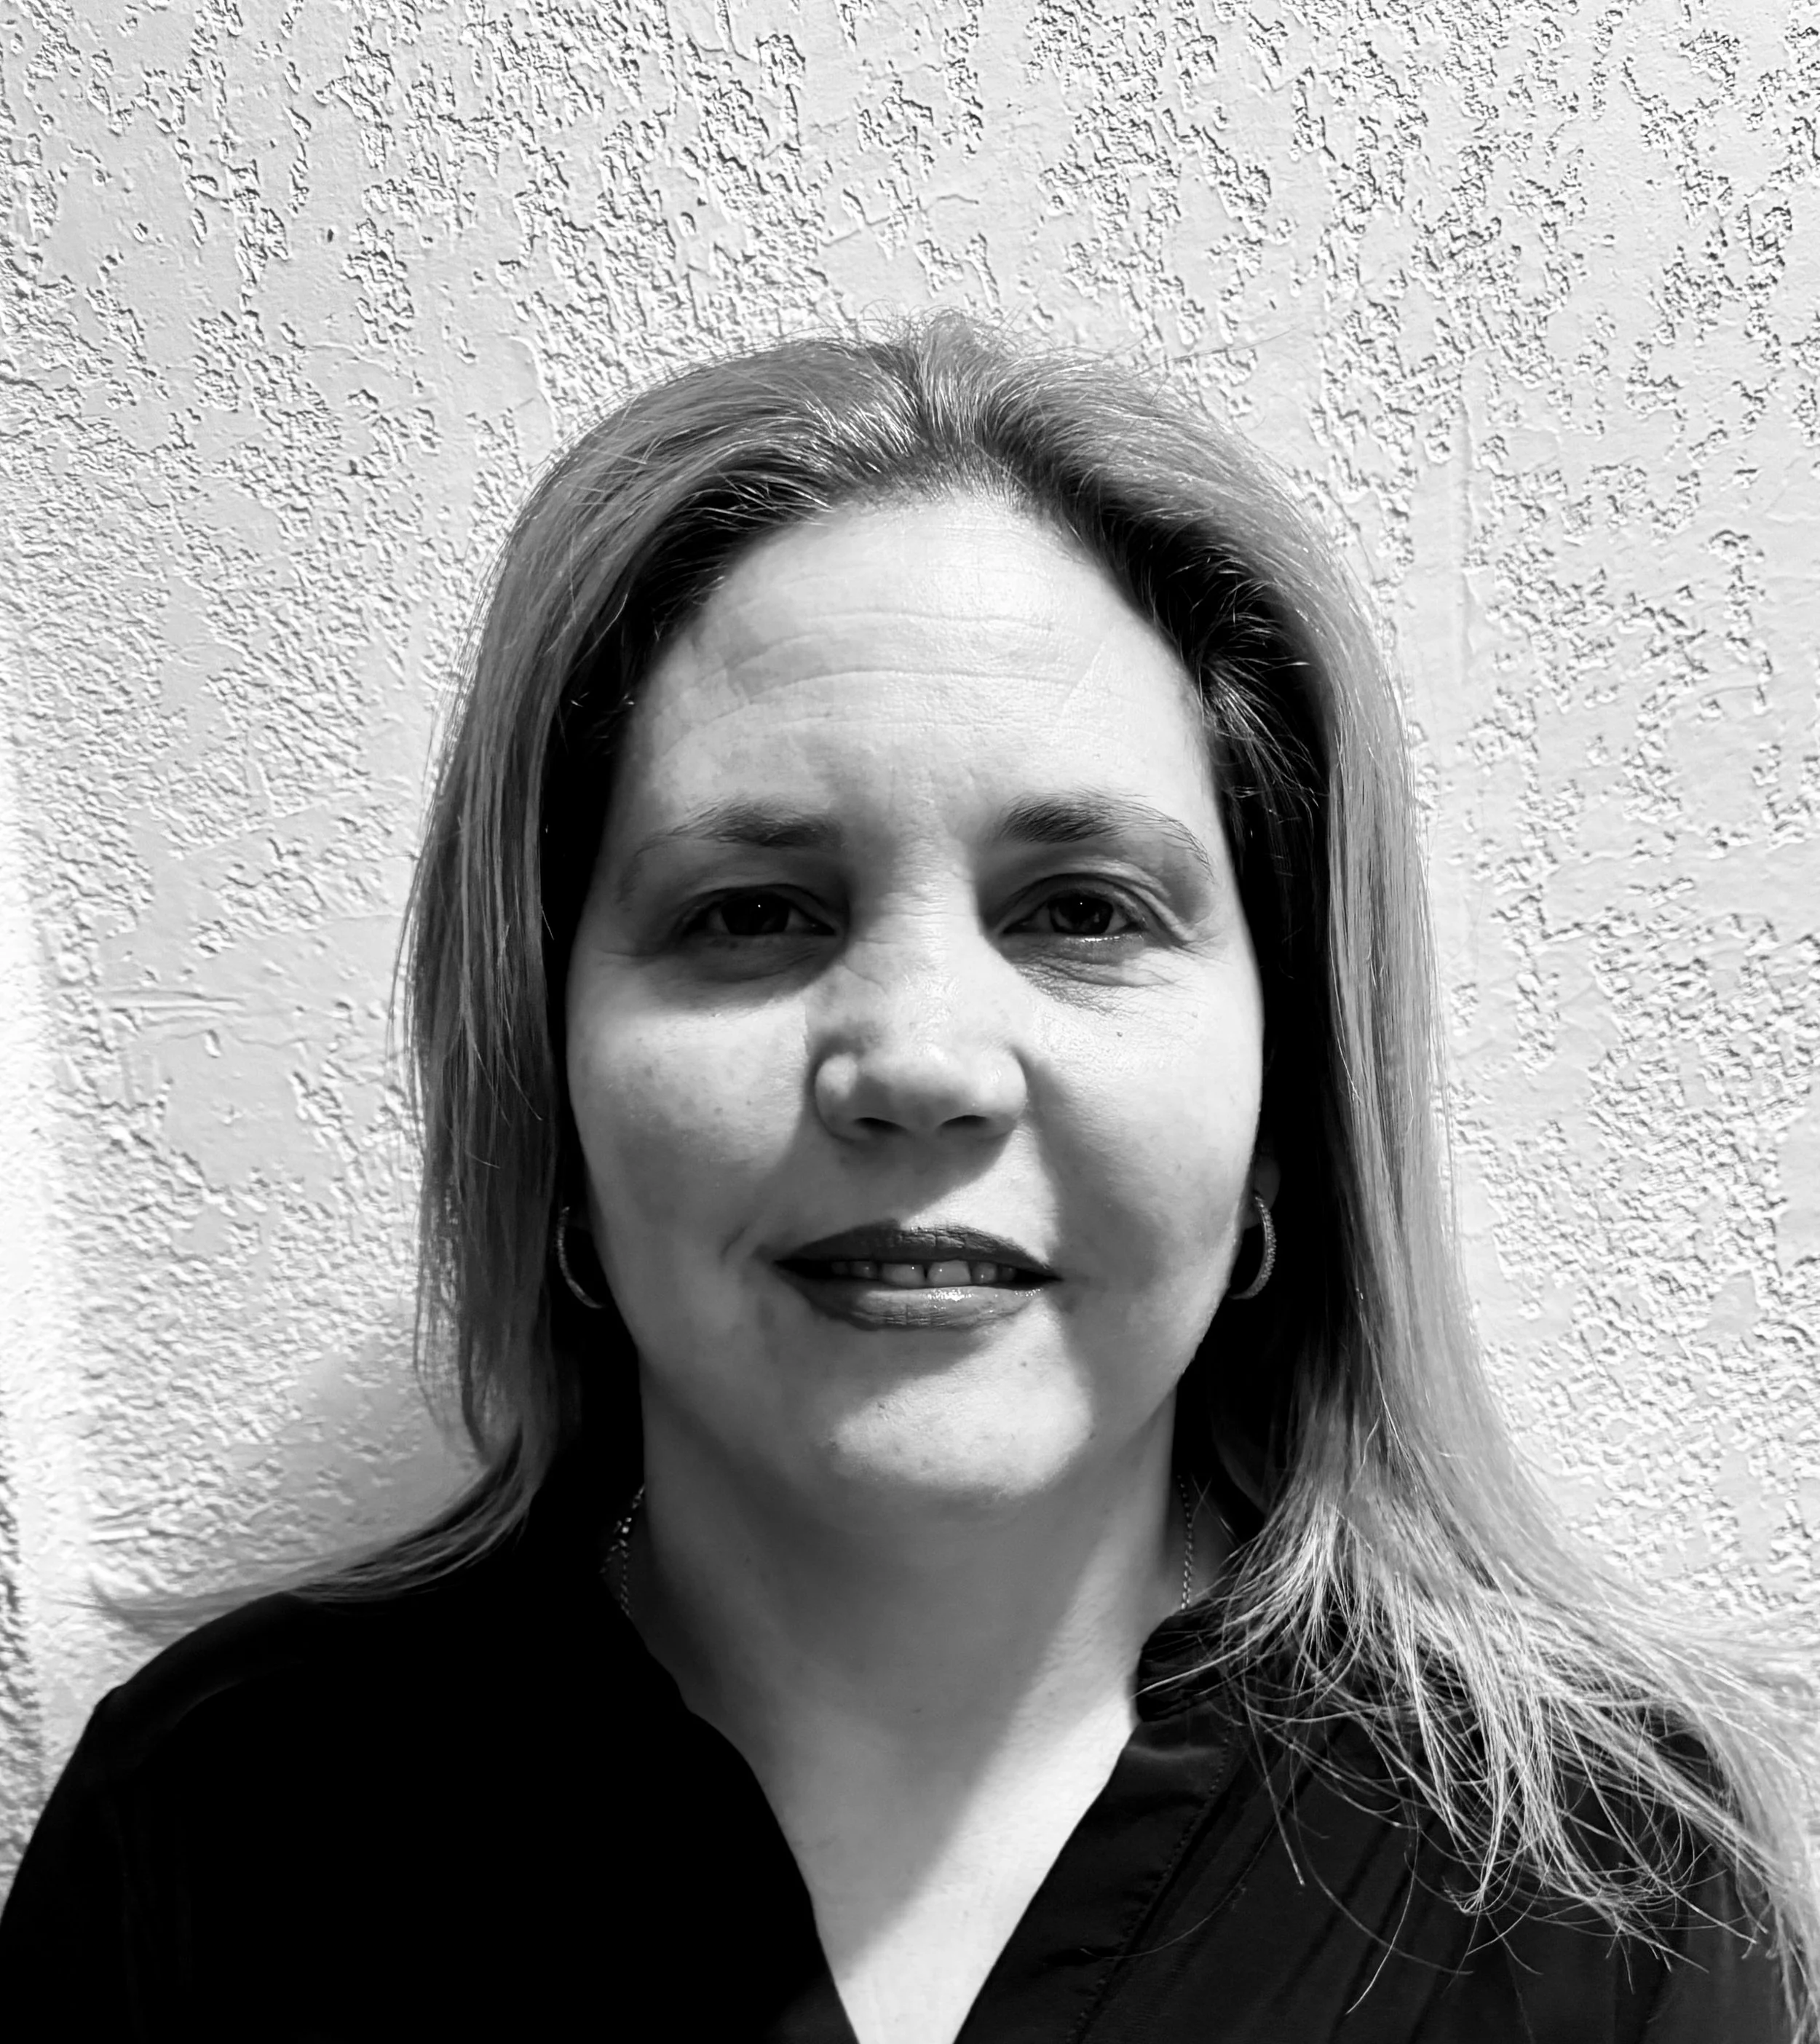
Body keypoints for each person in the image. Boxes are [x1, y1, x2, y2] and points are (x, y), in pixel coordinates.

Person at [1, 314, 1812, 2043]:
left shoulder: (1601, 1899)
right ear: (544, 1084)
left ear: (1283, 1113)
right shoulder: (212, 1846)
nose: (920, 1063)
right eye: (750, 913)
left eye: (1082, 910)